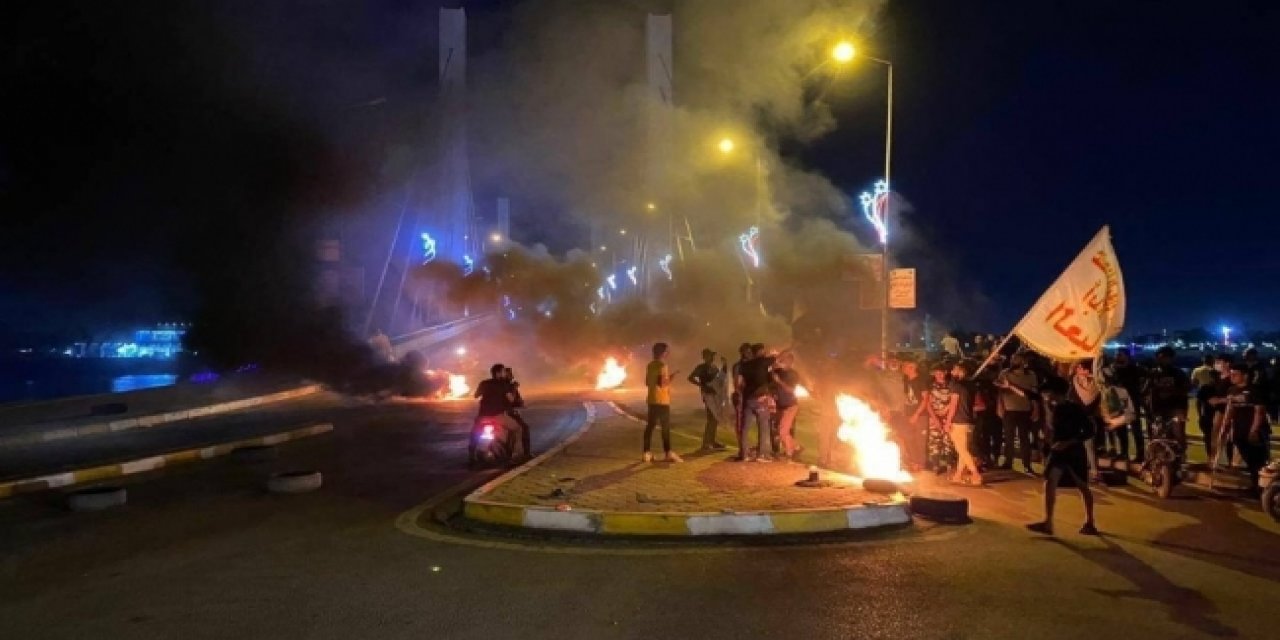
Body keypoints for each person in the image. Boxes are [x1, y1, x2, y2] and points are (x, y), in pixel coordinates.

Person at [1027, 376, 1099, 536]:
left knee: (1082, 486)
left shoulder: (1073, 409)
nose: (1045, 396)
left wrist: (1069, 442)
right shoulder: (1049, 405)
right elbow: (1032, 395)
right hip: (1056, 451)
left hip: (1073, 452)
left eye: (1048, 393)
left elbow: (1089, 430)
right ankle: (1048, 522)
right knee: (1049, 483)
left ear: (1057, 393)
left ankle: (1090, 521)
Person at [1221, 362, 1272, 495]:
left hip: (1255, 430)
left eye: (1235, 374)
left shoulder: (1255, 390)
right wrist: (1226, 426)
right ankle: (1256, 487)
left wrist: (1254, 430)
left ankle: (1264, 488)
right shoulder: (1231, 390)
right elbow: (1230, 410)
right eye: (1231, 374)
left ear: (1245, 375)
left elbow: (1259, 411)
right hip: (1239, 430)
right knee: (1250, 460)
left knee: (1259, 460)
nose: (1232, 377)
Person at [996, 353, 1040, 474]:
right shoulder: (1005, 373)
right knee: (1009, 438)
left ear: (1024, 361)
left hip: (1024, 409)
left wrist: (1036, 409)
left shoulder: (1031, 375)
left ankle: (1027, 464)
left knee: (1024, 439)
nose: (1014, 361)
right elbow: (1000, 392)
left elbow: (1034, 394)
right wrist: (1000, 407)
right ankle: (1008, 462)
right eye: (1013, 358)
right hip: (1009, 409)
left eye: (1018, 359)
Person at [471, 363, 521, 463]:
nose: (504, 373)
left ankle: (472, 455)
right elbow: (511, 400)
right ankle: (516, 455)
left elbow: (476, 395)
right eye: (503, 371)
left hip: (482, 416)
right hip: (497, 416)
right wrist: (514, 389)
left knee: (474, 433)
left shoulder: (484, 383)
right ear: (498, 373)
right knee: (517, 428)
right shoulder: (503, 384)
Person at [736, 343, 777, 462]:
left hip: (748, 399)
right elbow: (778, 357)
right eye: (763, 350)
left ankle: (744, 454)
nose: (765, 352)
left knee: (745, 428)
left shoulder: (744, 365)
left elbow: (739, 383)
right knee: (764, 426)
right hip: (760, 399)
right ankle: (762, 454)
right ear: (759, 352)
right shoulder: (762, 362)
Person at [643, 342, 681, 463]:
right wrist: (672, 377)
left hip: (651, 399)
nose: (668, 353)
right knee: (665, 427)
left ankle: (646, 453)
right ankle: (668, 452)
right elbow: (662, 383)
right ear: (663, 353)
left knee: (650, 426)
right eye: (667, 351)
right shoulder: (663, 365)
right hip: (662, 400)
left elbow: (647, 383)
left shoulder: (650, 365)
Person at [1145, 346, 1190, 447]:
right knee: (1159, 433)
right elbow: (1146, 390)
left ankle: (1180, 455)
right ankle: (1162, 456)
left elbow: (1186, 388)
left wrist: (1171, 391)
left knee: (1177, 432)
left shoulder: (1178, 373)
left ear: (1170, 358)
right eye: (1158, 357)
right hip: (1159, 408)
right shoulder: (1153, 373)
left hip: (1176, 407)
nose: (1160, 359)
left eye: (1163, 357)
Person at [947, 360, 983, 485]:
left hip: (959, 421)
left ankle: (975, 475)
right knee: (963, 449)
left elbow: (954, 405)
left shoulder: (956, 385)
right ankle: (958, 475)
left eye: (954, 369)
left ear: (961, 371)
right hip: (969, 420)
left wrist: (948, 421)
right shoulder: (971, 385)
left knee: (961, 449)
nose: (952, 371)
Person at [687, 348, 728, 452]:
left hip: (715, 396)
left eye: (713, 355)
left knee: (714, 419)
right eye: (710, 355)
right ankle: (706, 443)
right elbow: (690, 377)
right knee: (711, 419)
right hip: (708, 396)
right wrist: (701, 385)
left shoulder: (714, 367)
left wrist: (724, 366)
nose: (712, 357)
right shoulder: (701, 367)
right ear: (705, 357)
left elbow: (719, 379)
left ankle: (712, 441)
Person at [924, 362, 957, 474]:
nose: (939, 375)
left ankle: (949, 465)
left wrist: (946, 411)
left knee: (948, 441)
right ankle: (936, 465)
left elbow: (954, 401)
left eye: (941, 373)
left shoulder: (951, 385)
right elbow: (927, 403)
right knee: (934, 442)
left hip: (948, 417)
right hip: (934, 417)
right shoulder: (929, 385)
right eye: (937, 373)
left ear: (945, 373)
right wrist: (934, 418)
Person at [770, 352, 803, 460]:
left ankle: (790, 452)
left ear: (791, 362)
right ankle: (796, 448)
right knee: (782, 430)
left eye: (785, 360)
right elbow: (771, 368)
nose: (783, 362)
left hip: (790, 405)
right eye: (782, 360)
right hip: (781, 405)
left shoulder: (793, 374)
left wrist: (779, 382)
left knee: (783, 432)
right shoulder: (778, 371)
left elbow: (791, 390)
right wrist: (777, 359)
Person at [1190, 354, 1218, 457]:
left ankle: (1210, 456)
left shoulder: (1197, 370)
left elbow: (1193, 383)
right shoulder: (1215, 371)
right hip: (1213, 399)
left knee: (1208, 433)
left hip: (1204, 399)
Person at [503, 367, 533, 461]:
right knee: (524, 428)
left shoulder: (494, 385)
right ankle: (525, 453)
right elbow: (512, 400)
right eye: (509, 374)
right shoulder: (509, 386)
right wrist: (514, 388)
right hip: (506, 413)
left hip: (490, 414)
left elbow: (519, 401)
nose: (510, 376)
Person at [730, 343, 752, 460]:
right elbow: (737, 382)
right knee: (740, 425)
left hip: (753, 397)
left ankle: (749, 450)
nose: (749, 354)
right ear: (742, 352)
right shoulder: (739, 366)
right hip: (743, 396)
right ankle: (743, 450)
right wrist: (738, 394)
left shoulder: (752, 364)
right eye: (747, 352)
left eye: (750, 352)